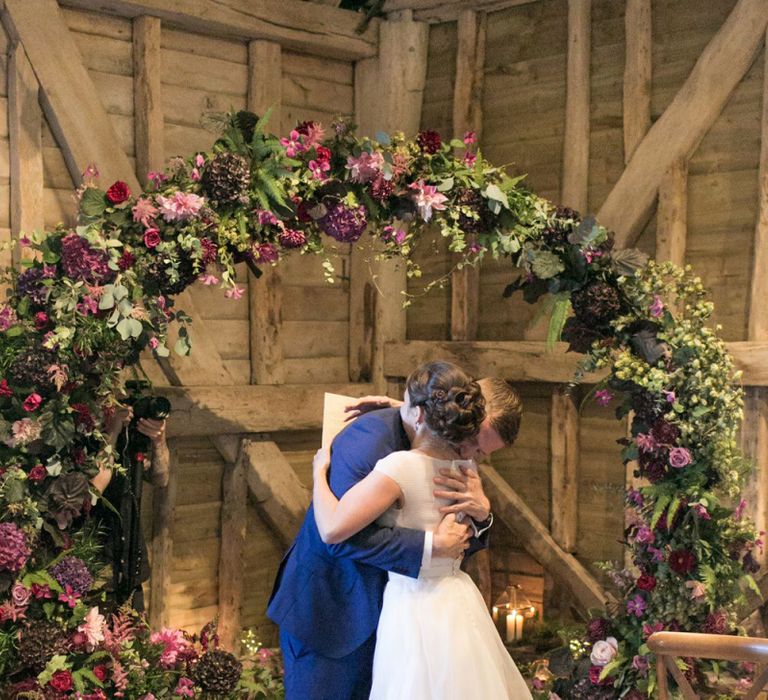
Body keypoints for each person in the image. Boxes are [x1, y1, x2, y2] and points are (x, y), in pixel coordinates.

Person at [267, 363, 522, 699]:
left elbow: (455, 535)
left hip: (404, 620)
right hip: (334, 612)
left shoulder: (452, 453)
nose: (469, 454)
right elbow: (337, 536)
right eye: (472, 441)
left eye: (480, 452)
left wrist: (482, 514)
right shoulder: (368, 443)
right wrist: (430, 546)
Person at [91, 402, 169, 613]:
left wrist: (159, 441)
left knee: (134, 640)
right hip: (96, 564)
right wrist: (113, 432)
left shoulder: (131, 439)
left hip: (130, 561)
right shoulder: (89, 435)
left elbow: (161, 478)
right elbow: (94, 489)